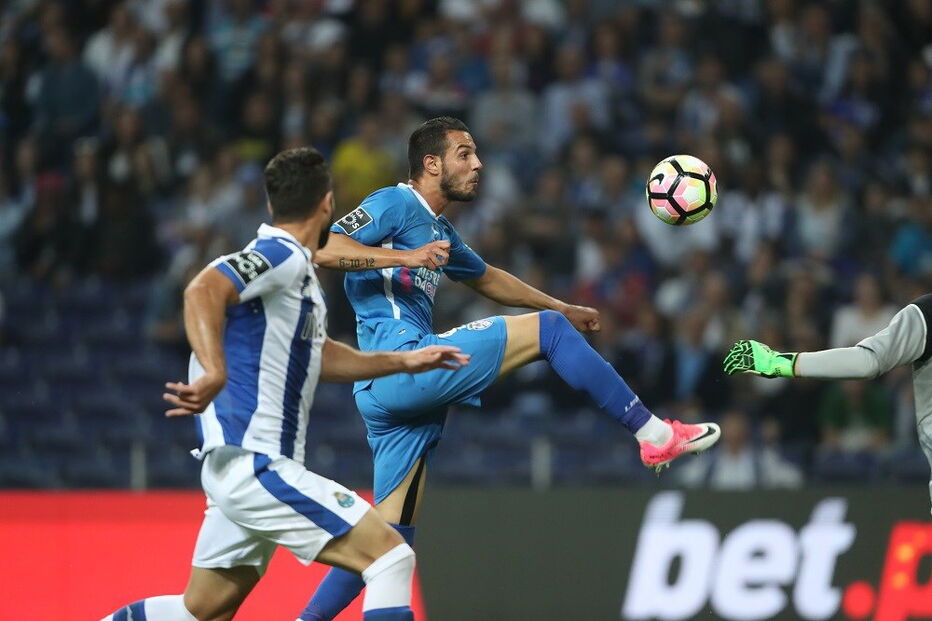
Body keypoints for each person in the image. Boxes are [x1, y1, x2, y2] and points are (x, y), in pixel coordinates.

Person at [301, 117, 721, 620]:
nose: (477, 164)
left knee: (389, 541)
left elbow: (490, 279)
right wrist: (409, 257)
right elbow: (323, 247)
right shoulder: (395, 203)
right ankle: (654, 435)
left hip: (387, 393)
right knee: (547, 333)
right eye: (464, 154)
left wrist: (561, 306)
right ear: (431, 164)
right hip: (402, 363)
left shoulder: (440, 229)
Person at [103, 147, 471, 621]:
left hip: (238, 470)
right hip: (256, 464)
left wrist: (403, 361)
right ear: (327, 204)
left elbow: (321, 355)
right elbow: (203, 289)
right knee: (391, 556)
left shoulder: (295, 274)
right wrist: (214, 369)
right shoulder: (281, 255)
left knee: (202, 611)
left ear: (272, 202)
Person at [723, 293, 932, 511]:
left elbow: (867, 361)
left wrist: (777, 362)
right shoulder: (927, 315)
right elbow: (867, 362)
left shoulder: (927, 313)